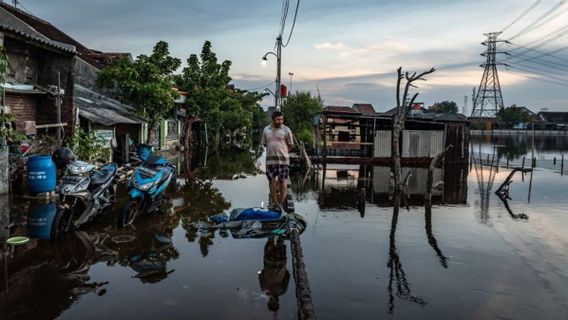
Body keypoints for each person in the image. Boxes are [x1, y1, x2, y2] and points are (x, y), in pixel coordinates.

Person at [261, 110, 294, 210]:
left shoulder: (286, 130)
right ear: (273, 120)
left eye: (282, 119)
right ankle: (274, 202)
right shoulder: (266, 129)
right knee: (271, 180)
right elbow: (265, 143)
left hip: (283, 161)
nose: (280, 121)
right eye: (278, 119)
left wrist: (283, 152)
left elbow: (290, 144)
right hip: (270, 161)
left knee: (282, 180)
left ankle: (281, 202)